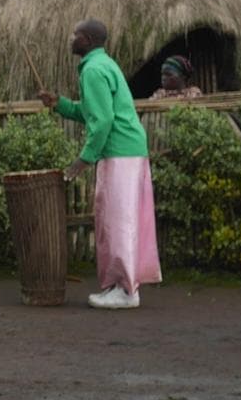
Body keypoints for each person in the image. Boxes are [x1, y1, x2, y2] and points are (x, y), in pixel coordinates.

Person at [38, 19, 161, 308]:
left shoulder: (93, 70)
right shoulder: (102, 64)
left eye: (76, 35)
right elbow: (92, 112)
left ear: (89, 40)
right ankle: (122, 285)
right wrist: (59, 104)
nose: (72, 38)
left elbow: (103, 121)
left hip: (119, 153)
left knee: (118, 221)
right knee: (122, 219)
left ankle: (127, 291)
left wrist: (84, 159)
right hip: (128, 150)